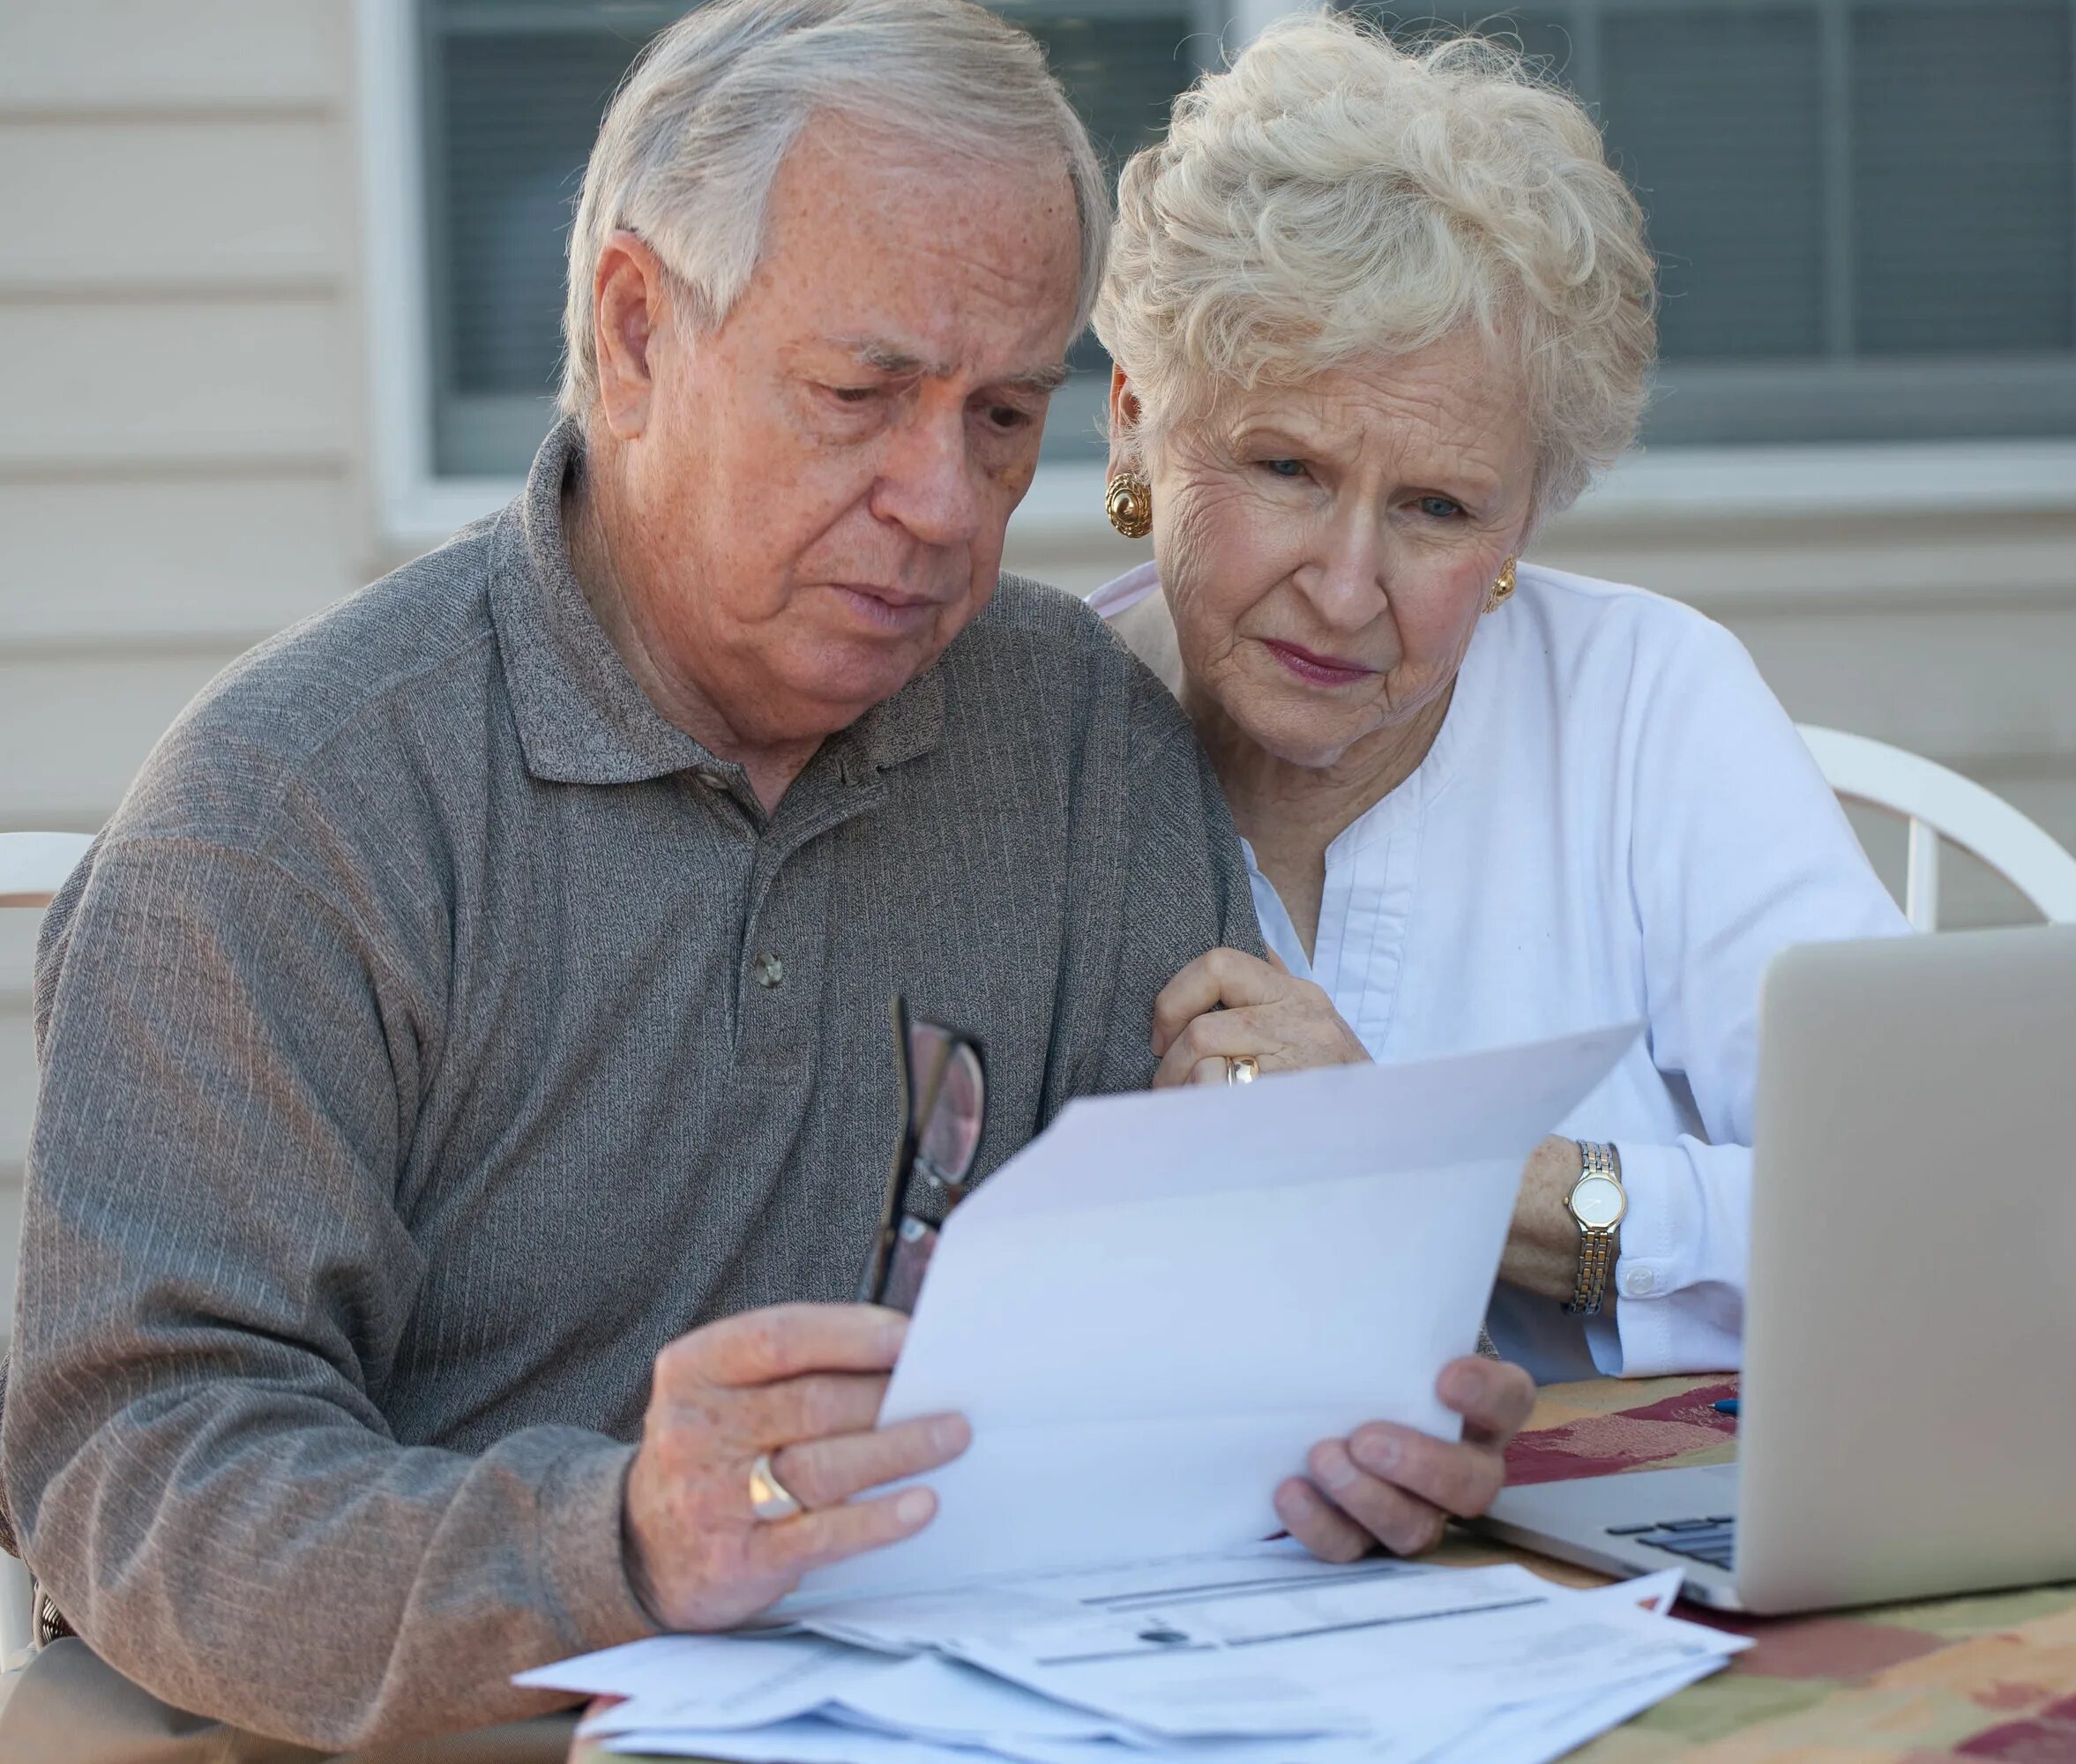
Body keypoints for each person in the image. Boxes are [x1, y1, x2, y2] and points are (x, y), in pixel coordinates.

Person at [0, 4, 1534, 1756]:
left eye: (1005, 413)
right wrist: (625, 1543)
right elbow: (142, 1471)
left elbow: (1146, 1368)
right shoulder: (291, 815)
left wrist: (1328, 1419)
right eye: (862, 395)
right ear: (638, 333)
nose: (945, 501)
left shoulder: (1083, 747)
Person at [1099, 14, 1908, 1394]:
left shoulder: (1651, 707)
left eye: (1437, 507)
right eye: (1285, 467)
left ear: (1526, 521)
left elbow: (1914, 1203)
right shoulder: (1026, 744)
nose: (1348, 586)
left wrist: (1428, 1164)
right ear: (1134, 424)